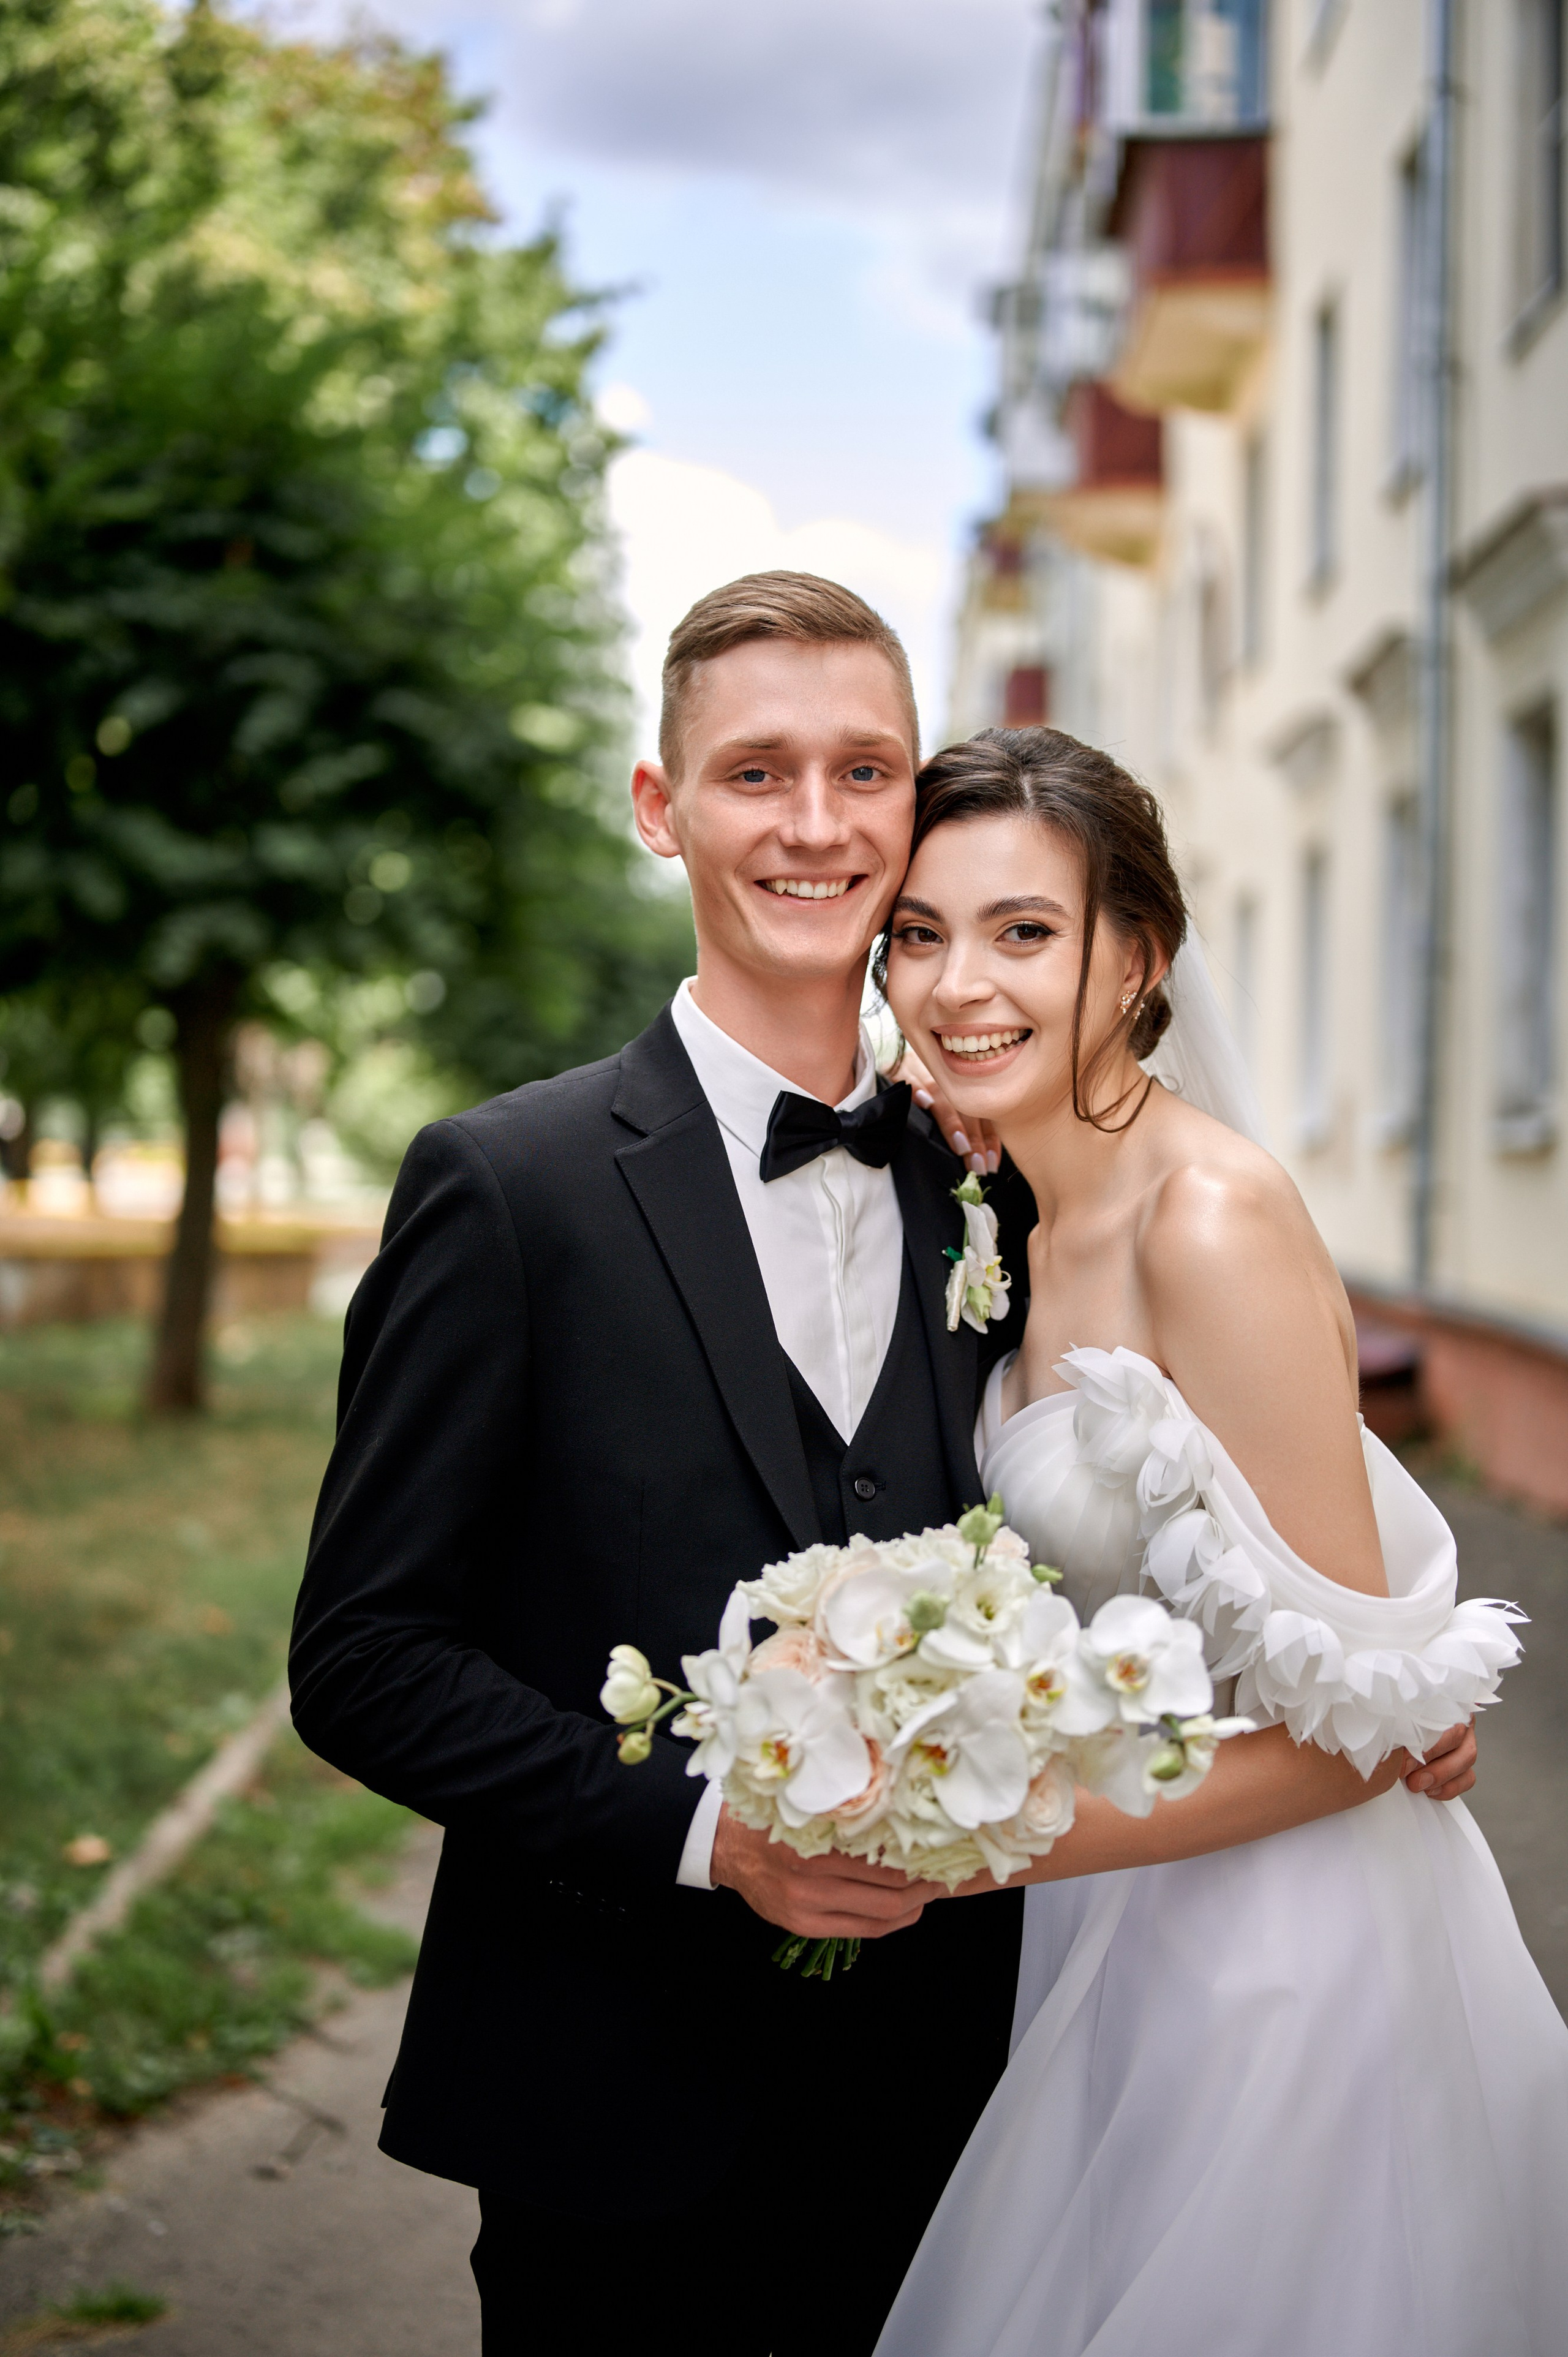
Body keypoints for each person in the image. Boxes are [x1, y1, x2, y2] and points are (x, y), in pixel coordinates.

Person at [288, 578, 1476, 2357]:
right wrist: (708, 1833)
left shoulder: (1008, 1171)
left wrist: (1362, 1687)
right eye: (757, 772)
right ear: (658, 805)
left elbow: (1212, 1515)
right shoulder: (504, 1188)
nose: (819, 823)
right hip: (612, 2112)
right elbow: (366, 1660)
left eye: (866, 770)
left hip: (972, 2103)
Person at [871, 725, 1568, 2357]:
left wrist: (971, 1838)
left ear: (1138, 960)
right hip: (1127, 1896)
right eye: (921, 933)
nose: (957, 983)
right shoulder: (1015, 1208)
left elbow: (1375, 1733)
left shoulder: (1210, 1215)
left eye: (1023, 932)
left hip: (1283, 1959)